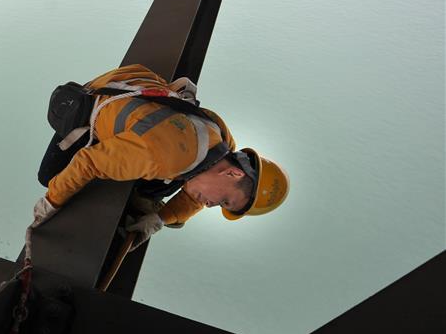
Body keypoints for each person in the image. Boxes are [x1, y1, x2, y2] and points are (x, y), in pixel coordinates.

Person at [31, 64, 289, 248]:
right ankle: (131, 180)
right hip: (94, 99)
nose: (210, 205)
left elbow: (200, 193)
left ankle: (139, 182)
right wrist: (51, 202)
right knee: (50, 177)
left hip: (136, 79)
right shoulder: (162, 157)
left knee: (185, 177)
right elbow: (88, 163)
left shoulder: (223, 139)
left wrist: (161, 218)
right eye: (223, 201)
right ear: (234, 173)